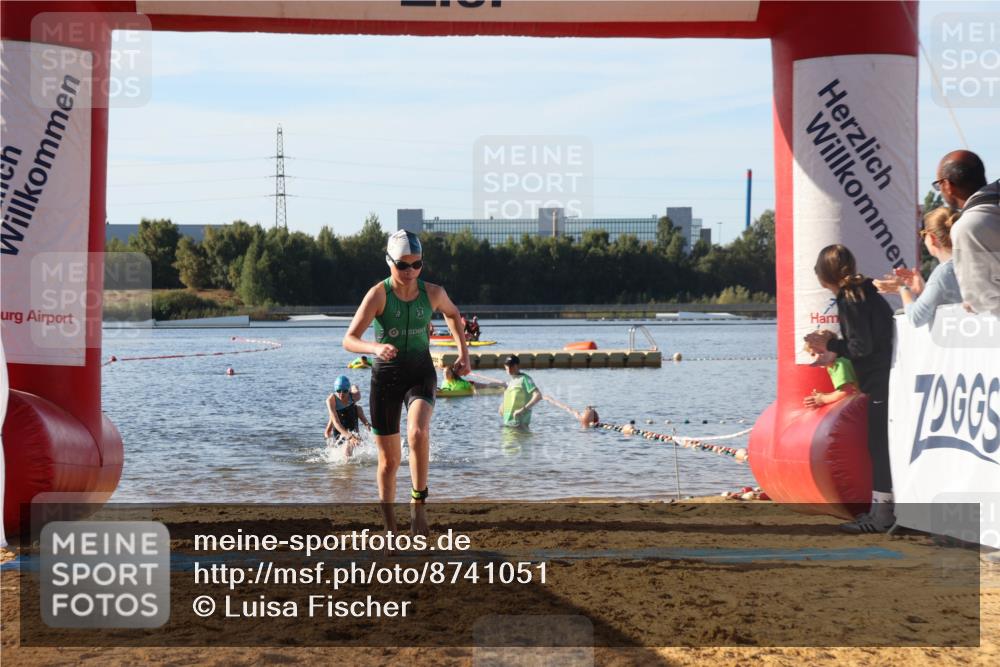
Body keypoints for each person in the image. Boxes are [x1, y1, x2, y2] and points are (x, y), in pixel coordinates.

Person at [343, 230, 470, 536]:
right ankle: (390, 527)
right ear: (389, 262)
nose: (410, 271)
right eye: (403, 265)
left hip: (419, 372)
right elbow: (349, 339)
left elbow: (453, 314)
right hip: (386, 377)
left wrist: (464, 354)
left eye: (417, 264)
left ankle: (418, 506)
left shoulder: (433, 293)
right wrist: (375, 348)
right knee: (389, 461)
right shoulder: (378, 294)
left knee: (418, 432)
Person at [804, 244, 895, 534]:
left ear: (823, 275)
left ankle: (882, 515)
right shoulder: (865, 292)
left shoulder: (851, 298)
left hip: (880, 381)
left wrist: (829, 344)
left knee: (879, 447)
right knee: (882, 446)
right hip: (889, 377)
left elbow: (861, 346)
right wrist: (833, 350)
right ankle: (883, 510)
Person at [934, 150, 1000, 315]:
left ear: (947, 185)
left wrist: (973, 303)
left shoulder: (968, 227)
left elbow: (981, 300)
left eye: (938, 185)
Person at [873, 207, 962, 327]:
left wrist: (903, 289)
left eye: (923, 234)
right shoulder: (974, 265)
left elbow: (916, 318)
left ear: (932, 238)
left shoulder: (943, 272)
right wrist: (923, 290)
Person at [325, 375, 371, 456]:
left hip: (354, 433)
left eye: (345, 391)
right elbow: (334, 423)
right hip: (340, 433)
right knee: (346, 448)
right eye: (338, 391)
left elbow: (355, 387)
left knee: (358, 409)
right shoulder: (331, 400)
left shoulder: (355, 396)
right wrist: (330, 444)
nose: (341, 394)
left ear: (349, 390)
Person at [498, 355, 542, 428]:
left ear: (518, 366)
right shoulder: (511, 381)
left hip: (520, 425)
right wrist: (503, 405)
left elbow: (538, 395)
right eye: (507, 366)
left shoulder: (525, 379)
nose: (509, 369)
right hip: (508, 424)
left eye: (512, 366)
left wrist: (522, 409)